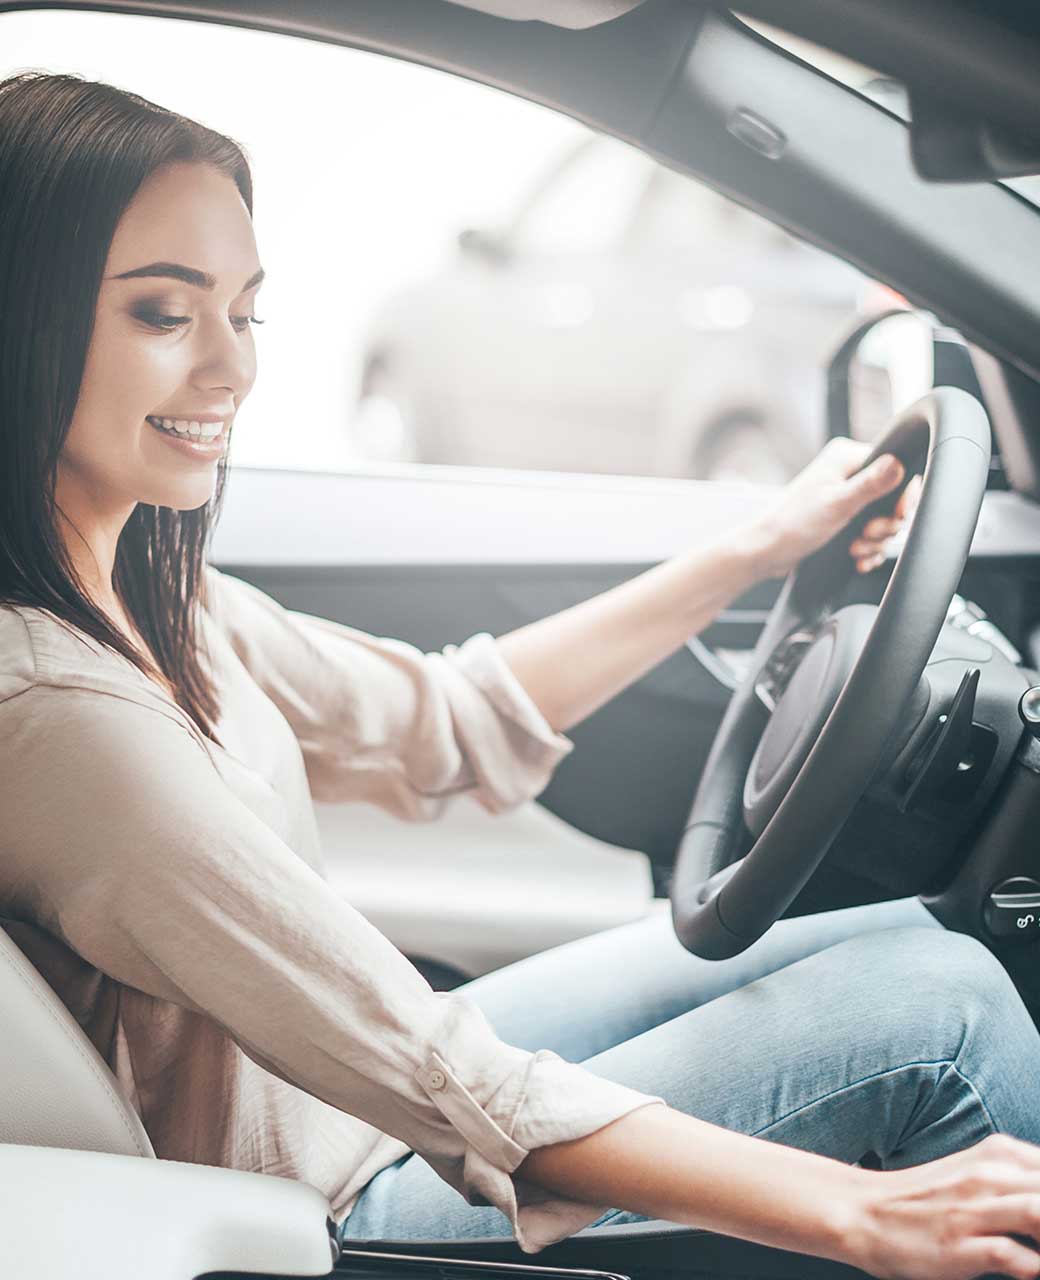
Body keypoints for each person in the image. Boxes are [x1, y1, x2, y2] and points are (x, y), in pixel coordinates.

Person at [2, 70, 1040, 1280]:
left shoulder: (149, 590)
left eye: (246, 311)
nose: (231, 371)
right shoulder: (60, 716)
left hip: (360, 1105)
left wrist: (759, 546)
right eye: (163, 315)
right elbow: (453, 1079)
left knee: (924, 948)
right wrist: (856, 1213)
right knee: (938, 1026)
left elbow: (445, 721)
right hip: (314, 1203)